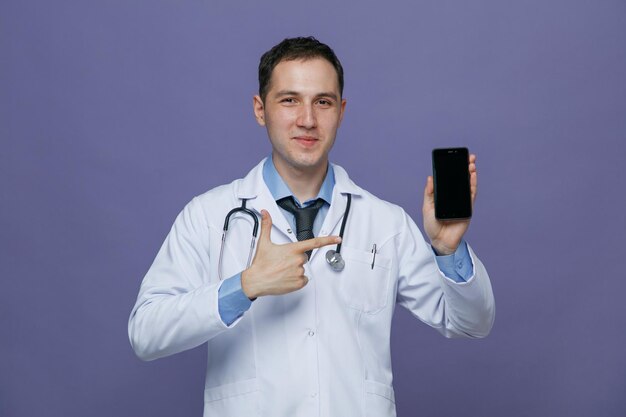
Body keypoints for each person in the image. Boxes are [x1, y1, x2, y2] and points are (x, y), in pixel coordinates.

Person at [128, 36, 495, 417]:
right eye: (289, 100)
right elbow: (146, 333)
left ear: (342, 111)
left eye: (323, 101)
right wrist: (245, 286)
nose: (307, 119)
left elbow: (472, 324)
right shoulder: (208, 215)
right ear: (260, 109)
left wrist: (447, 251)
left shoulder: (386, 223)